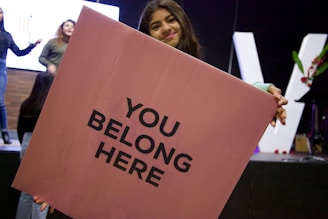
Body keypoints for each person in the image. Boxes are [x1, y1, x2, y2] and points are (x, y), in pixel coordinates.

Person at [137, 0, 288, 127]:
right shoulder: (140, 73)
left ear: (182, 23)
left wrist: (266, 96)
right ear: (146, 34)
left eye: (171, 20)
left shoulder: (198, 71)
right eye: (156, 26)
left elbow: (229, 93)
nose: (166, 28)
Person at [0, 7, 42, 144]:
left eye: (0, 12)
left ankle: (5, 132)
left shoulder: (6, 35)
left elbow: (19, 53)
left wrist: (33, 45)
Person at [15, 73, 54, 219]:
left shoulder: (27, 104)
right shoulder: (50, 107)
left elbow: (20, 130)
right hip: (42, 147)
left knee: (25, 191)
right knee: (40, 192)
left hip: (26, 143)